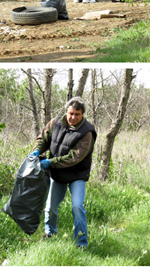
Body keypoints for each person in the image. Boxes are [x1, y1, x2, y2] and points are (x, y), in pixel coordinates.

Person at [29, 97, 96, 248]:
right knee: (50, 208)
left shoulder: (87, 132)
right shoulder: (55, 122)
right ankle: (50, 234)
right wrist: (37, 150)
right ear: (66, 111)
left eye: (77, 114)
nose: (73, 117)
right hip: (57, 174)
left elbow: (74, 156)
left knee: (77, 206)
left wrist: (50, 162)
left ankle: (81, 242)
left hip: (77, 175)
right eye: (70, 113)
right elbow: (44, 138)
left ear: (82, 115)